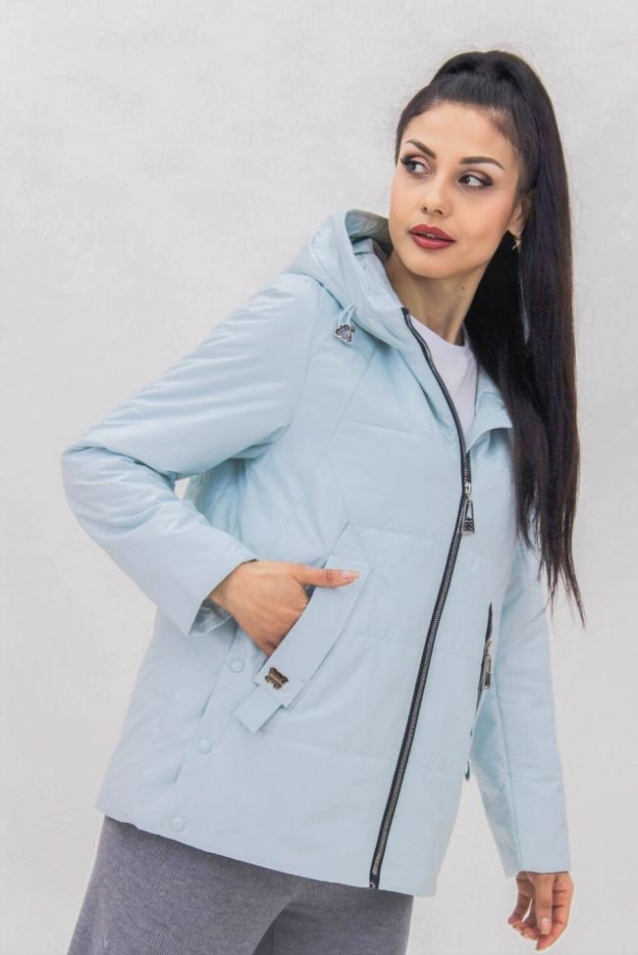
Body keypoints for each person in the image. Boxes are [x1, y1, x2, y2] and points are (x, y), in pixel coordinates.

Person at [61, 48, 581, 955]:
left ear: (520, 214)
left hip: (368, 866)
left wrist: (535, 837)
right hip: (210, 821)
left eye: (473, 180)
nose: (433, 200)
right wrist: (226, 577)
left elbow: (509, 642)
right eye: (416, 165)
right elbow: (104, 461)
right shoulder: (311, 325)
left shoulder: (505, 416)